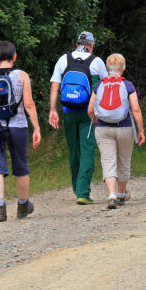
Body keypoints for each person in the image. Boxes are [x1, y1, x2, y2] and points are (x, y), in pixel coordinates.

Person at [0, 41, 41, 222]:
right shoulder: (22, 75)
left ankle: (0, 209)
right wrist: (37, 127)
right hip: (18, 126)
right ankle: (23, 206)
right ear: (14, 57)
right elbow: (29, 104)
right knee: (21, 166)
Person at [49, 31, 109, 205]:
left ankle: (77, 187)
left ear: (77, 44)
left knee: (73, 149)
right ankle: (83, 192)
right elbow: (104, 87)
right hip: (88, 112)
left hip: (68, 111)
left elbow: (55, 86)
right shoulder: (96, 61)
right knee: (87, 149)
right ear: (91, 45)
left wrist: (53, 110)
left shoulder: (63, 59)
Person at [88, 53, 146, 209]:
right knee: (124, 160)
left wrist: (95, 121)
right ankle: (121, 194)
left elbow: (90, 110)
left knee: (108, 161)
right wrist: (140, 130)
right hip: (125, 127)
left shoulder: (99, 84)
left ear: (107, 68)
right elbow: (136, 110)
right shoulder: (128, 85)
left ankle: (111, 195)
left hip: (103, 128)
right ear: (123, 68)